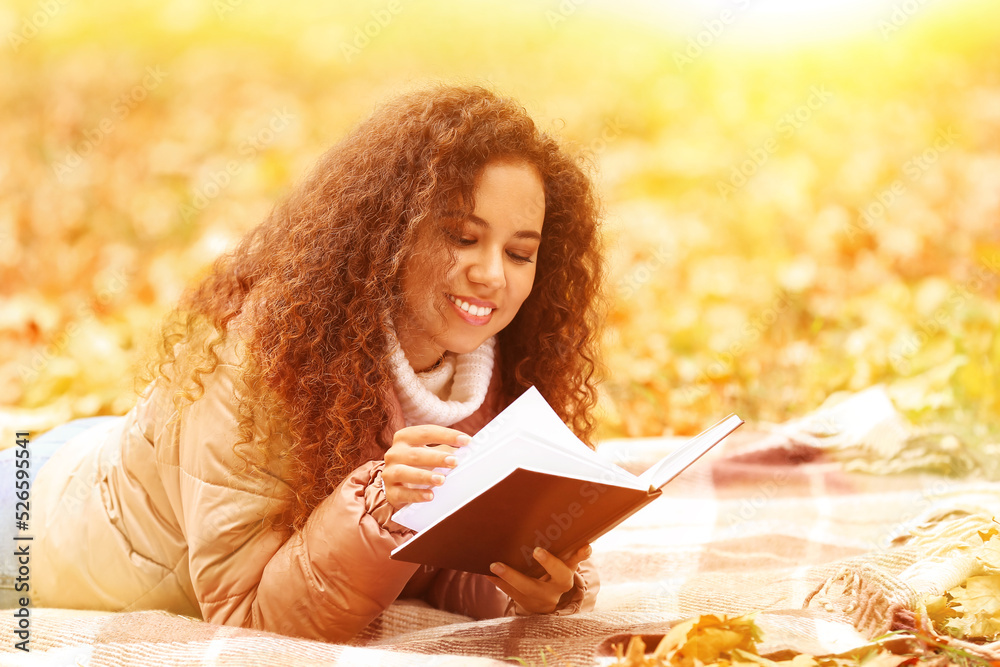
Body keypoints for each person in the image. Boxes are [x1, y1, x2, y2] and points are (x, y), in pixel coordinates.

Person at [13, 83, 606, 642]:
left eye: (520, 252)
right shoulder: (264, 360)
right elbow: (248, 618)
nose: (493, 275)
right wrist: (379, 511)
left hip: (118, 455)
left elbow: (429, 562)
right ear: (390, 230)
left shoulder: (498, 362)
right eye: (461, 236)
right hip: (43, 519)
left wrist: (524, 584)